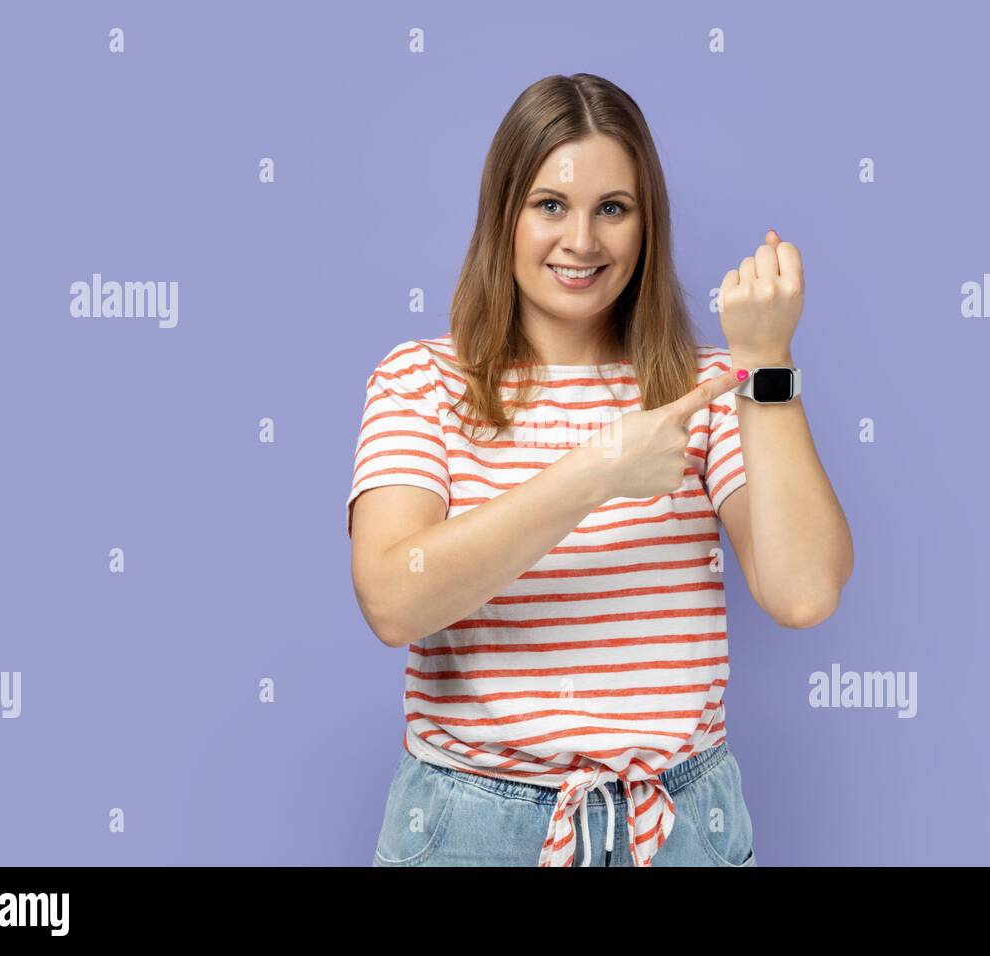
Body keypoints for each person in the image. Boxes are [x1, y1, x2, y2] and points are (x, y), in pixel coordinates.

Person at [346, 73, 853, 866]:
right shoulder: (422, 380)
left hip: (681, 827)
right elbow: (392, 600)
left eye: (611, 208)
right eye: (551, 205)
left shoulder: (710, 391)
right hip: (471, 829)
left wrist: (767, 364)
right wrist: (600, 469)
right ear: (503, 215)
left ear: (647, 225)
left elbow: (803, 591)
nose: (581, 241)